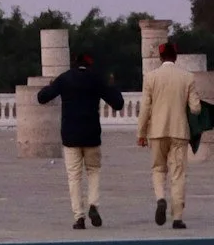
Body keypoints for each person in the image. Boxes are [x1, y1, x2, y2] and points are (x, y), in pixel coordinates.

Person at [36, 50, 126, 229]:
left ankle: (79, 217)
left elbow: (42, 98)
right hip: (92, 134)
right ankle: (93, 204)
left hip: (70, 135)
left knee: (74, 176)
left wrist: (51, 85)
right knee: (93, 171)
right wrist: (112, 85)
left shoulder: (65, 78)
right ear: (90, 64)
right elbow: (118, 103)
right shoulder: (96, 79)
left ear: (74, 63)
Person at [138, 40, 200, 229]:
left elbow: (145, 108)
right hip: (179, 132)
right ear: (176, 56)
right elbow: (195, 108)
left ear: (160, 57)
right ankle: (177, 217)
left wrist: (141, 133)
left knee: (158, 169)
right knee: (178, 173)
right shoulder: (187, 77)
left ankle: (160, 199)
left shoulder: (151, 77)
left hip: (157, 131)